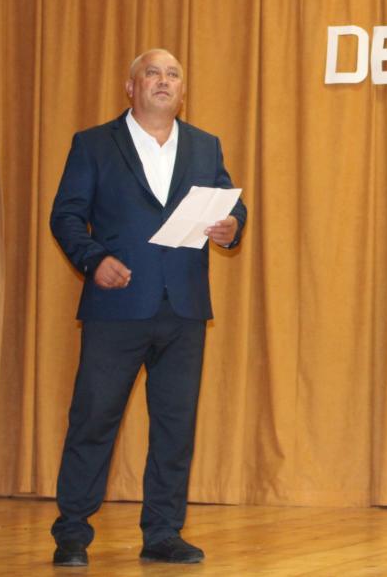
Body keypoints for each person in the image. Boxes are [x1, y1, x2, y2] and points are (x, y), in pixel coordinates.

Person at [48, 49, 247, 567]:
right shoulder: (94, 144)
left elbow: (231, 203)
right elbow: (66, 215)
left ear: (182, 90)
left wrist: (232, 226)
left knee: (175, 427)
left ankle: (163, 532)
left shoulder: (205, 145)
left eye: (173, 75)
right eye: (152, 73)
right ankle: (72, 532)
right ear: (131, 87)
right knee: (94, 418)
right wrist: (94, 260)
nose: (164, 81)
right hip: (116, 303)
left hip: (183, 308)